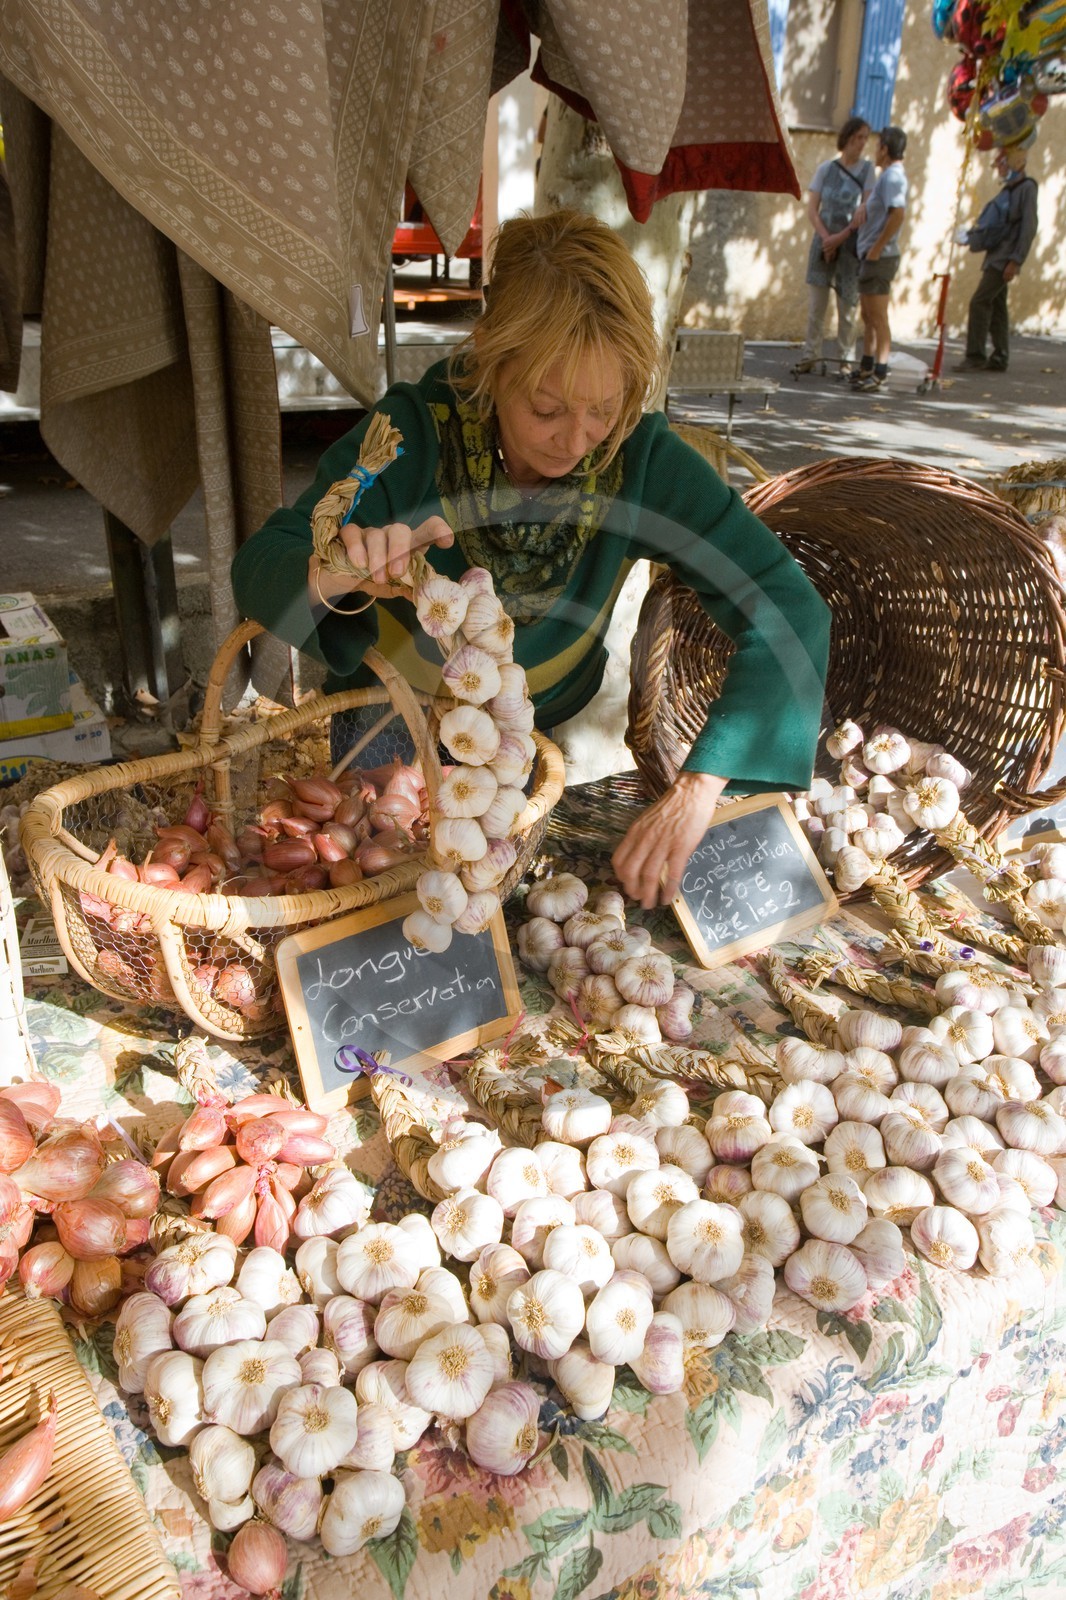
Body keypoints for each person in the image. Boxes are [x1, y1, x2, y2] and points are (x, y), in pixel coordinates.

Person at [232, 210, 830, 909]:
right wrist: (335, 570)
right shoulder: (408, 436)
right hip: (387, 732)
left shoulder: (640, 458)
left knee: (503, 901)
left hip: (534, 734)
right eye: (546, 408)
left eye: (602, 409)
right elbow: (262, 562)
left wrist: (700, 788)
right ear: (491, 361)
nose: (576, 440)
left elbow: (789, 607)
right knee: (385, 902)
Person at [794, 117, 874, 379]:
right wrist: (826, 238)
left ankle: (845, 358)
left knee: (847, 305)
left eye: (866, 138)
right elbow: (812, 209)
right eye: (859, 137)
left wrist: (840, 237)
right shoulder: (826, 169)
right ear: (848, 137)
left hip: (849, 244)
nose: (863, 143)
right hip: (823, 242)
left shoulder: (867, 171)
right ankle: (810, 355)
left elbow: (865, 209)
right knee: (817, 304)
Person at [954, 143, 1038, 373]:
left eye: (1001, 162)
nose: (998, 168)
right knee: (997, 305)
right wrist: (971, 237)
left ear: (1014, 162)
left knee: (979, 302)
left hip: (1004, 259)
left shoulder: (1027, 189)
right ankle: (1000, 356)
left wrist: (1015, 260)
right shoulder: (1009, 190)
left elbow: (1028, 228)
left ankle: (975, 356)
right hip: (997, 256)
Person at [850, 126, 908, 393]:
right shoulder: (886, 177)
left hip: (880, 258)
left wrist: (876, 249)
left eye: (877, 146)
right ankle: (867, 364)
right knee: (868, 314)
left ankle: (880, 371)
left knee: (878, 315)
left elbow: (897, 214)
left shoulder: (894, 177)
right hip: (870, 255)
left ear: (885, 149)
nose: (874, 150)